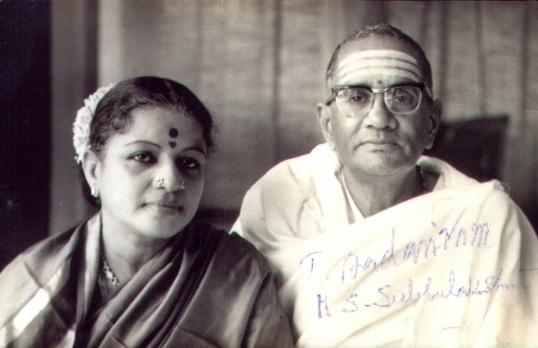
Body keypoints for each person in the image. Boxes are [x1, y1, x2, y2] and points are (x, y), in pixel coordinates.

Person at [232, 24, 538, 347]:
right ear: (327, 124)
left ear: (432, 123)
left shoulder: (487, 219)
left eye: (402, 97)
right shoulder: (282, 201)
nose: (379, 118)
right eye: (356, 97)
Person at [0, 76, 293, 347]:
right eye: (143, 156)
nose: (171, 180)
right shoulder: (33, 280)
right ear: (94, 170)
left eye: (189, 162)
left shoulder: (238, 274)